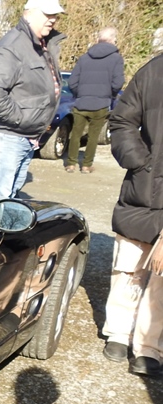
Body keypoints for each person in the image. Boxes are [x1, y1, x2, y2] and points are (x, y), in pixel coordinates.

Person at [101, 52, 163, 376]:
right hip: (144, 187)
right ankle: (118, 332)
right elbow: (122, 119)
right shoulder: (153, 72)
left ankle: (149, 346)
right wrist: (140, 162)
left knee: (162, 279)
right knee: (128, 266)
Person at [0, 0, 65, 200]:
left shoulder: (40, 45)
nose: (53, 19)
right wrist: (21, 119)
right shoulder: (13, 46)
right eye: (47, 14)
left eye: (55, 15)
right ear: (29, 13)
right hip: (6, 135)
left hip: (24, 135)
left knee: (10, 195)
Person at [64, 27, 124, 174]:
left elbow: (72, 81)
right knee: (93, 136)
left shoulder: (84, 58)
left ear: (98, 39)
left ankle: (71, 164)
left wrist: (80, 94)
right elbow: (118, 83)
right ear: (112, 40)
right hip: (101, 103)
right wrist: (110, 96)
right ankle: (86, 165)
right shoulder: (116, 58)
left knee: (76, 134)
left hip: (81, 102)